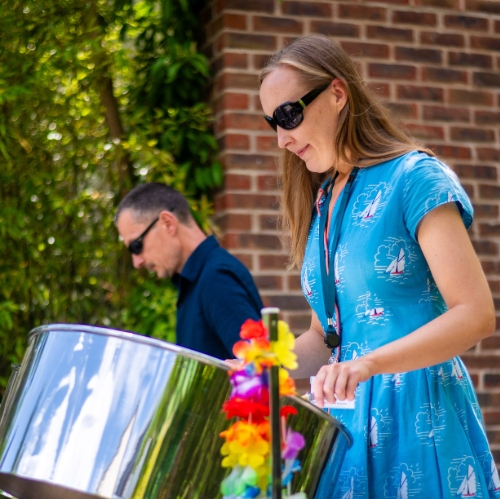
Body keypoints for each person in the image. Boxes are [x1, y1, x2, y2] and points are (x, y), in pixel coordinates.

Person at [259, 34, 497, 498]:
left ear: (337, 93)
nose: (283, 138)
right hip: (347, 430)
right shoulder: (323, 200)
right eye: (273, 124)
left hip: (420, 418)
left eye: (289, 115)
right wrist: (262, 371)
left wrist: (368, 363)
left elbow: (476, 314)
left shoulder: (415, 177)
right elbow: (326, 338)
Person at [115, 182, 263, 360]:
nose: (136, 262)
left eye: (136, 246)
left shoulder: (215, 279)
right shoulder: (197, 280)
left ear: (168, 223)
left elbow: (260, 370)